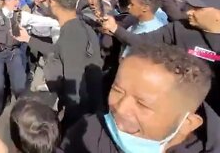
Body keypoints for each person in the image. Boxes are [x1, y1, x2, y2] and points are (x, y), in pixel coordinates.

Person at [59, 43, 220, 153]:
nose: (120, 109)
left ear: (187, 124)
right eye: (117, 90)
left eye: (142, 104)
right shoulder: (88, 130)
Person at [102, 0, 220, 116]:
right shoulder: (179, 28)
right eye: (190, 7)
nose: (189, 12)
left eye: (197, 8)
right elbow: (143, 42)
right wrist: (115, 29)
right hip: (177, 109)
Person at [15, 0, 104, 128]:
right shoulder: (76, 26)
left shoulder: (72, 33)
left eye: (47, 1)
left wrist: (69, 121)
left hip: (79, 115)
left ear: (53, 3)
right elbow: (56, 50)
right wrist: (28, 39)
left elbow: (74, 85)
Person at [0, 0, 60, 122]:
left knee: (19, 85)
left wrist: (60, 22)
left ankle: (21, 112)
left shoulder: (21, 16)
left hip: (13, 52)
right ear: (7, 1)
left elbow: (39, 21)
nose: (18, 2)